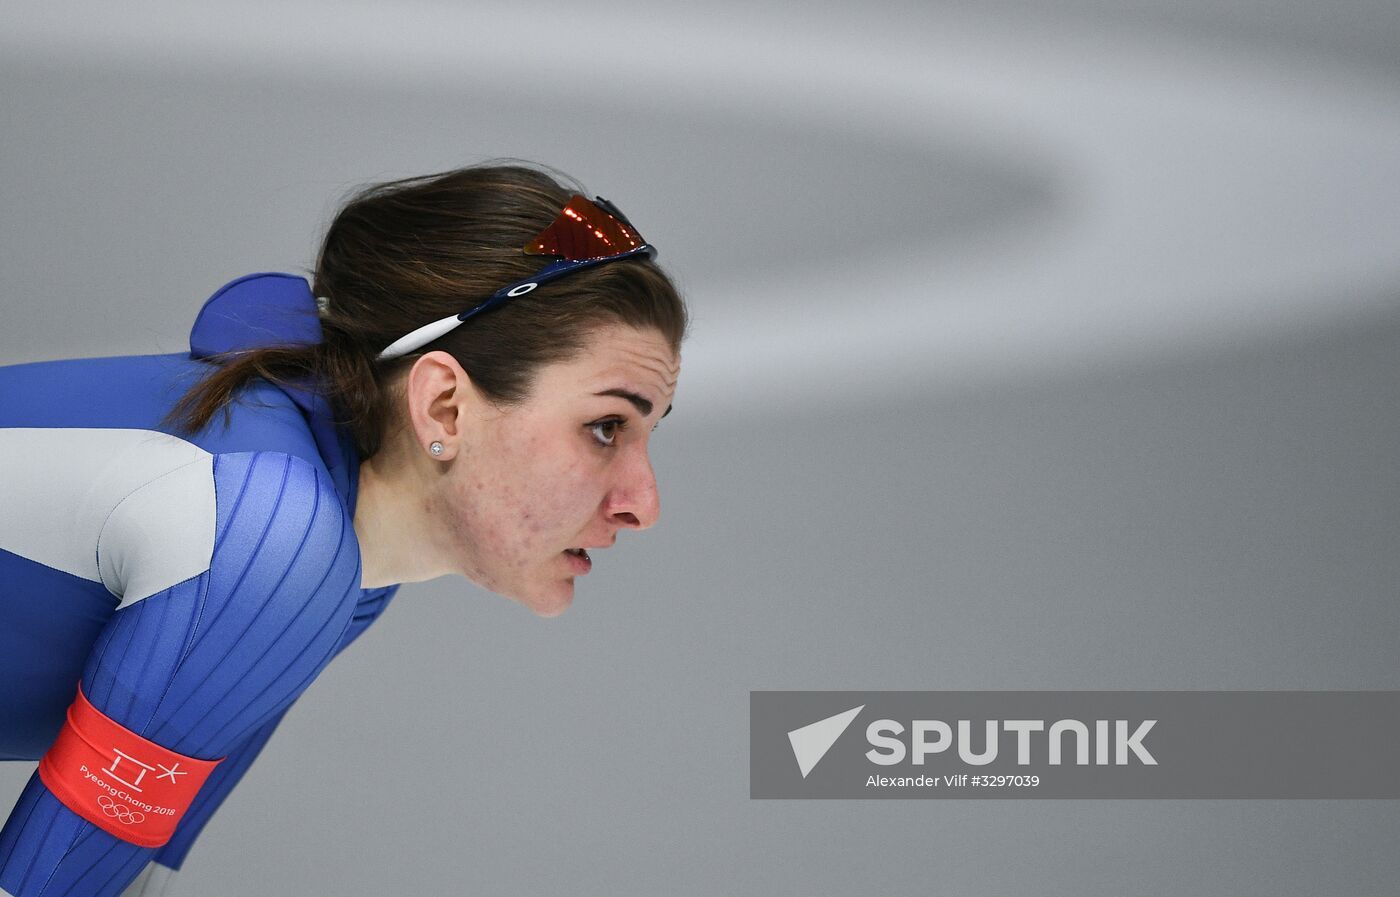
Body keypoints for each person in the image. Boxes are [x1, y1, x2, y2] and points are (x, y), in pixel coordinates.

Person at [0, 163, 687, 897]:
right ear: (445, 407)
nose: (643, 503)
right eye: (606, 426)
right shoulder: (273, 541)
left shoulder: (345, 571)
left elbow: (127, 865)